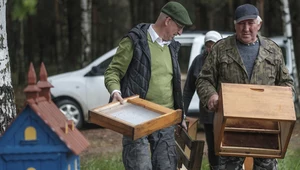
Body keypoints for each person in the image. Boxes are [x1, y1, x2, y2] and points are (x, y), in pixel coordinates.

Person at [196, 4, 294, 170]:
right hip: (231, 125)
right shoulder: (220, 49)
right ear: (235, 25)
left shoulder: (273, 50)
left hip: (266, 126)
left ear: (259, 24)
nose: (246, 28)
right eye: (241, 23)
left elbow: (286, 82)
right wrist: (211, 96)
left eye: (250, 23)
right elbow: (204, 80)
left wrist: (286, 97)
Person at [104, 1, 192, 170]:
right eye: (179, 27)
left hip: (165, 117)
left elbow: (172, 85)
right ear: (167, 21)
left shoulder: (172, 46)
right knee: (140, 166)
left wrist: (180, 115)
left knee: (166, 166)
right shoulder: (134, 40)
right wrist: (115, 91)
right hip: (136, 117)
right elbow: (113, 71)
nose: (180, 33)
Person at [183, 30, 222, 170]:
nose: (211, 48)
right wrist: (182, 112)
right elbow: (188, 89)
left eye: (214, 44)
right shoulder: (198, 61)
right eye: (208, 45)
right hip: (207, 113)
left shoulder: (226, 60)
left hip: (225, 113)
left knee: (224, 146)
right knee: (212, 148)